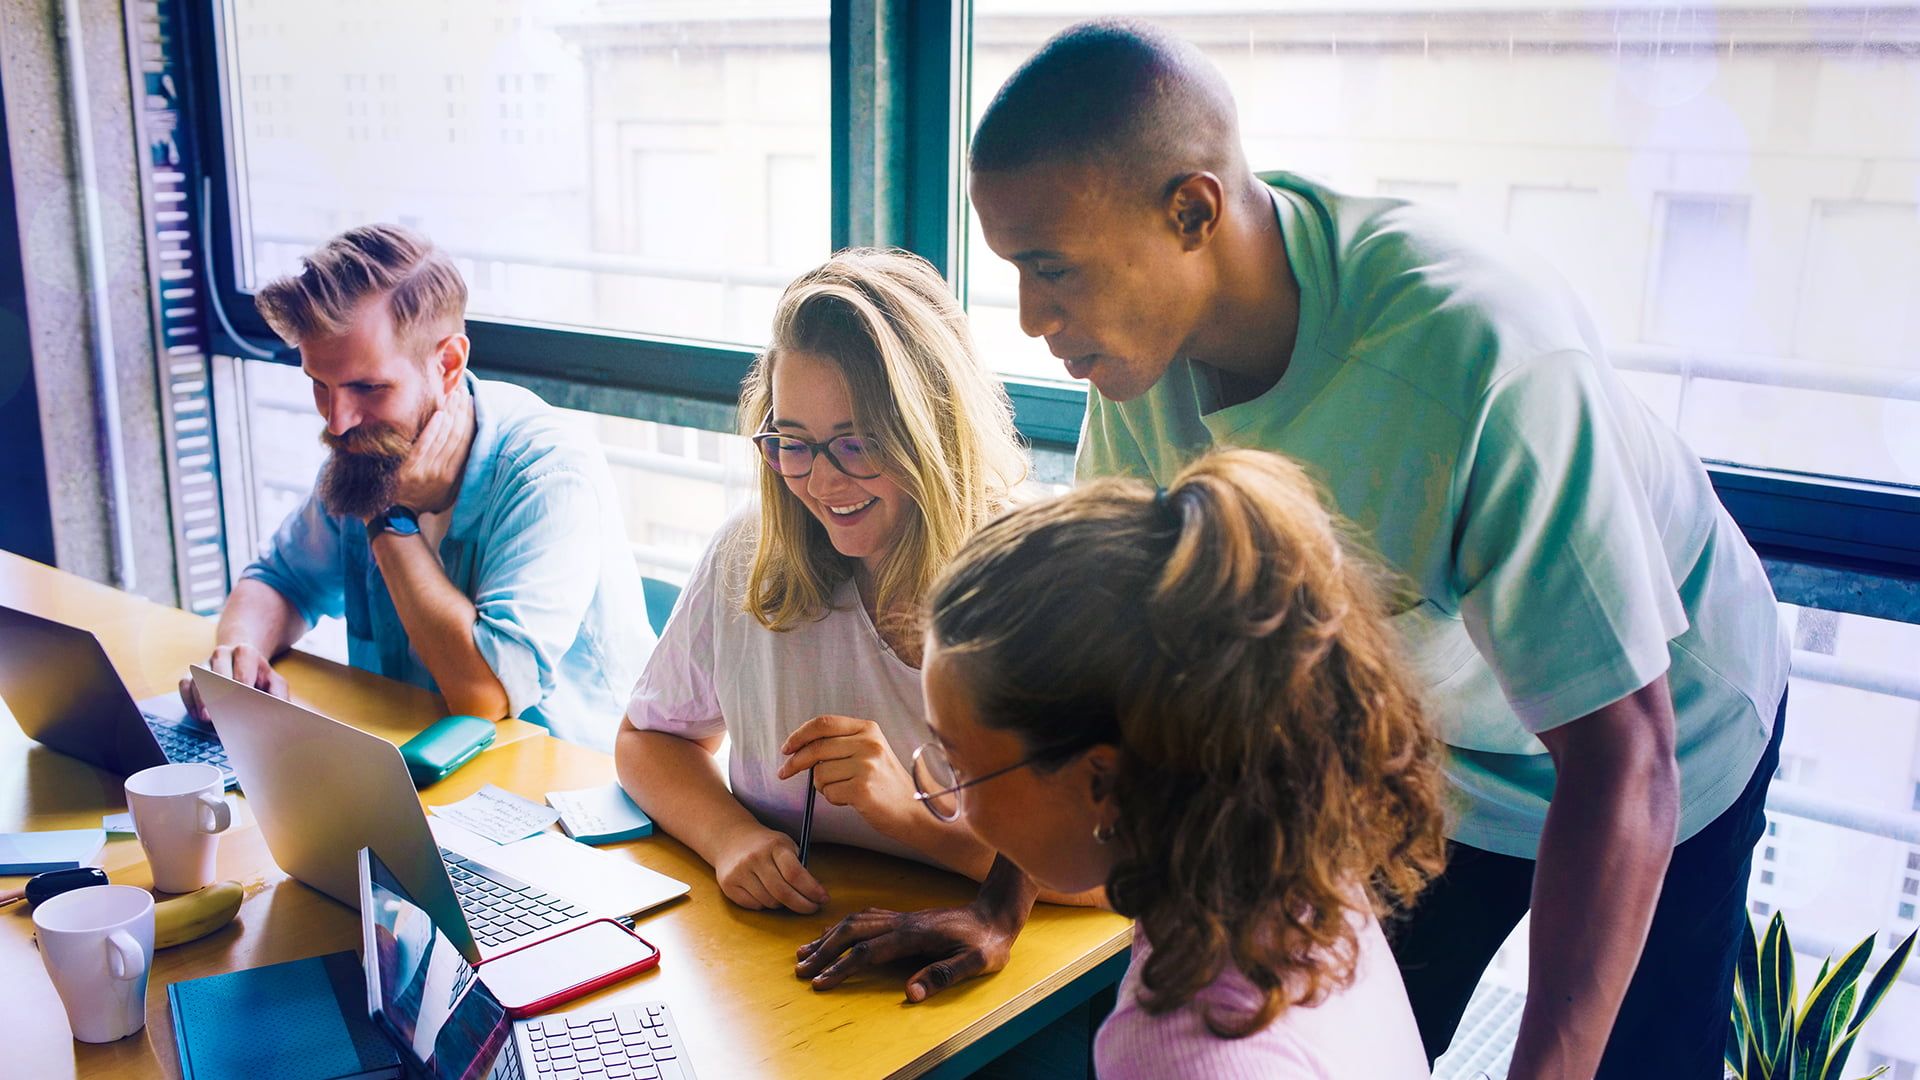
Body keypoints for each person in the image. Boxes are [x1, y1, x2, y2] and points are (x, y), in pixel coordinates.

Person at [802, 20, 1789, 1079]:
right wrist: (1001, 909)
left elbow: (1622, 759)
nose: (1033, 316)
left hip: (1657, 740)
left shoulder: (1481, 356)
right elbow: (1076, 686)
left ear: (1191, 210)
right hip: (1429, 753)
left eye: (1053, 270)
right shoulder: (1136, 367)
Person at [910, 450, 1445, 1077]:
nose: (958, 806)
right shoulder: (1294, 884)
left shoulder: (1180, 1052)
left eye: (959, 762)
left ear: (1102, 782)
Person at [616, 249, 1082, 933]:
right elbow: (646, 741)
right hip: (792, 954)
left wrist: (910, 819)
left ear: (932, 432)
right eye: (792, 443)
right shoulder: (751, 553)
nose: (822, 483)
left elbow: (1126, 873)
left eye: (857, 443)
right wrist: (729, 838)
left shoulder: (1036, 577)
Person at [178, 224, 653, 752]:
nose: (337, 421)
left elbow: (484, 695)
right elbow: (280, 580)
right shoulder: (365, 445)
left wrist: (388, 514)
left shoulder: (549, 474)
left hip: (568, 788)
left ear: (447, 364)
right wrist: (240, 653)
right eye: (320, 384)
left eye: (369, 387)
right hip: (414, 766)